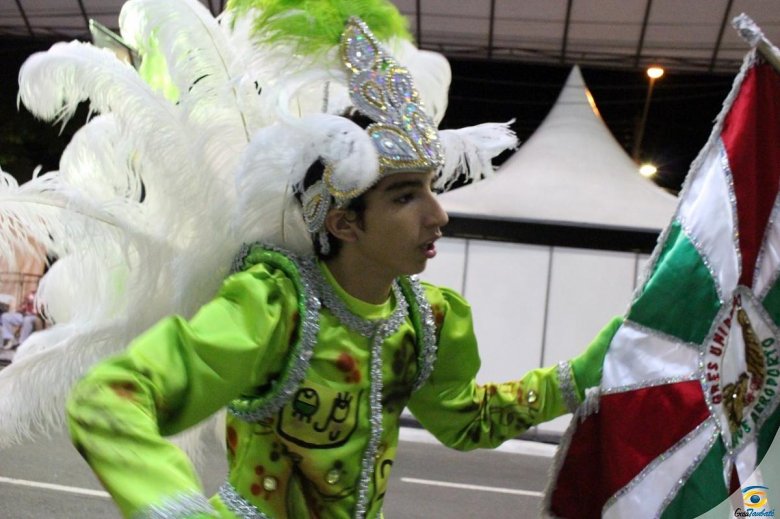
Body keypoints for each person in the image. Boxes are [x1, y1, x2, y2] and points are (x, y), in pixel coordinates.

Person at [64, 15, 621, 518]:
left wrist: (578, 376)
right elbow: (109, 399)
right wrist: (177, 511)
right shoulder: (274, 308)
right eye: (406, 197)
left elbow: (465, 421)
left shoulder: (425, 320)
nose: (439, 215)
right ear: (344, 223)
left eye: (431, 189)